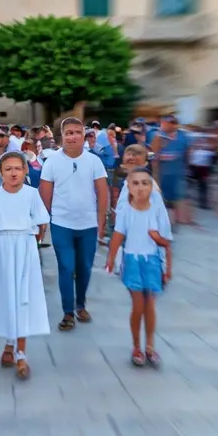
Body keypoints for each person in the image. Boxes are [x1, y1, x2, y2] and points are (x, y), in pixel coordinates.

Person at [0, 152, 50, 380]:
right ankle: (8, 342)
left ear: (25, 170)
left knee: (22, 298)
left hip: (24, 247)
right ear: (1, 172)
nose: (13, 173)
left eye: (17, 168)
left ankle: (21, 352)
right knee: (5, 296)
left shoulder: (31, 194)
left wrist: (33, 244)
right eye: (8, 169)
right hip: (1, 248)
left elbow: (41, 223)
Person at [38, 118, 108, 332]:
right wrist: (42, 223)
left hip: (87, 225)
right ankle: (68, 312)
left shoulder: (93, 161)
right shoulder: (51, 162)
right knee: (66, 267)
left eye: (77, 132)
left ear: (83, 135)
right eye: (68, 133)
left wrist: (101, 221)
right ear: (62, 136)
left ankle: (81, 305)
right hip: (62, 224)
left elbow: (103, 193)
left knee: (84, 268)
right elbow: (45, 196)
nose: (72, 136)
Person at [105, 167, 172, 368]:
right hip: (132, 260)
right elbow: (118, 234)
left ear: (152, 187)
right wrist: (111, 257)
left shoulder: (157, 209)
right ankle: (136, 346)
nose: (141, 187)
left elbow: (166, 240)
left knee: (150, 304)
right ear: (129, 188)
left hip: (152, 260)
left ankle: (150, 346)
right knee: (138, 305)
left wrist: (167, 266)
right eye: (135, 183)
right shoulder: (126, 209)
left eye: (145, 183)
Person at [151, 115, 191, 227]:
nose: (162, 126)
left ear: (173, 125)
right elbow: (151, 155)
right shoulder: (157, 136)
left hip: (178, 173)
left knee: (177, 197)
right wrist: (155, 162)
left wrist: (187, 167)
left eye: (164, 124)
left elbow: (188, 152)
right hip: (162, 174)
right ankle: (164, 222)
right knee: (162, 198)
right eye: (162, 123)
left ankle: (176, 220)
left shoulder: (183, 136)